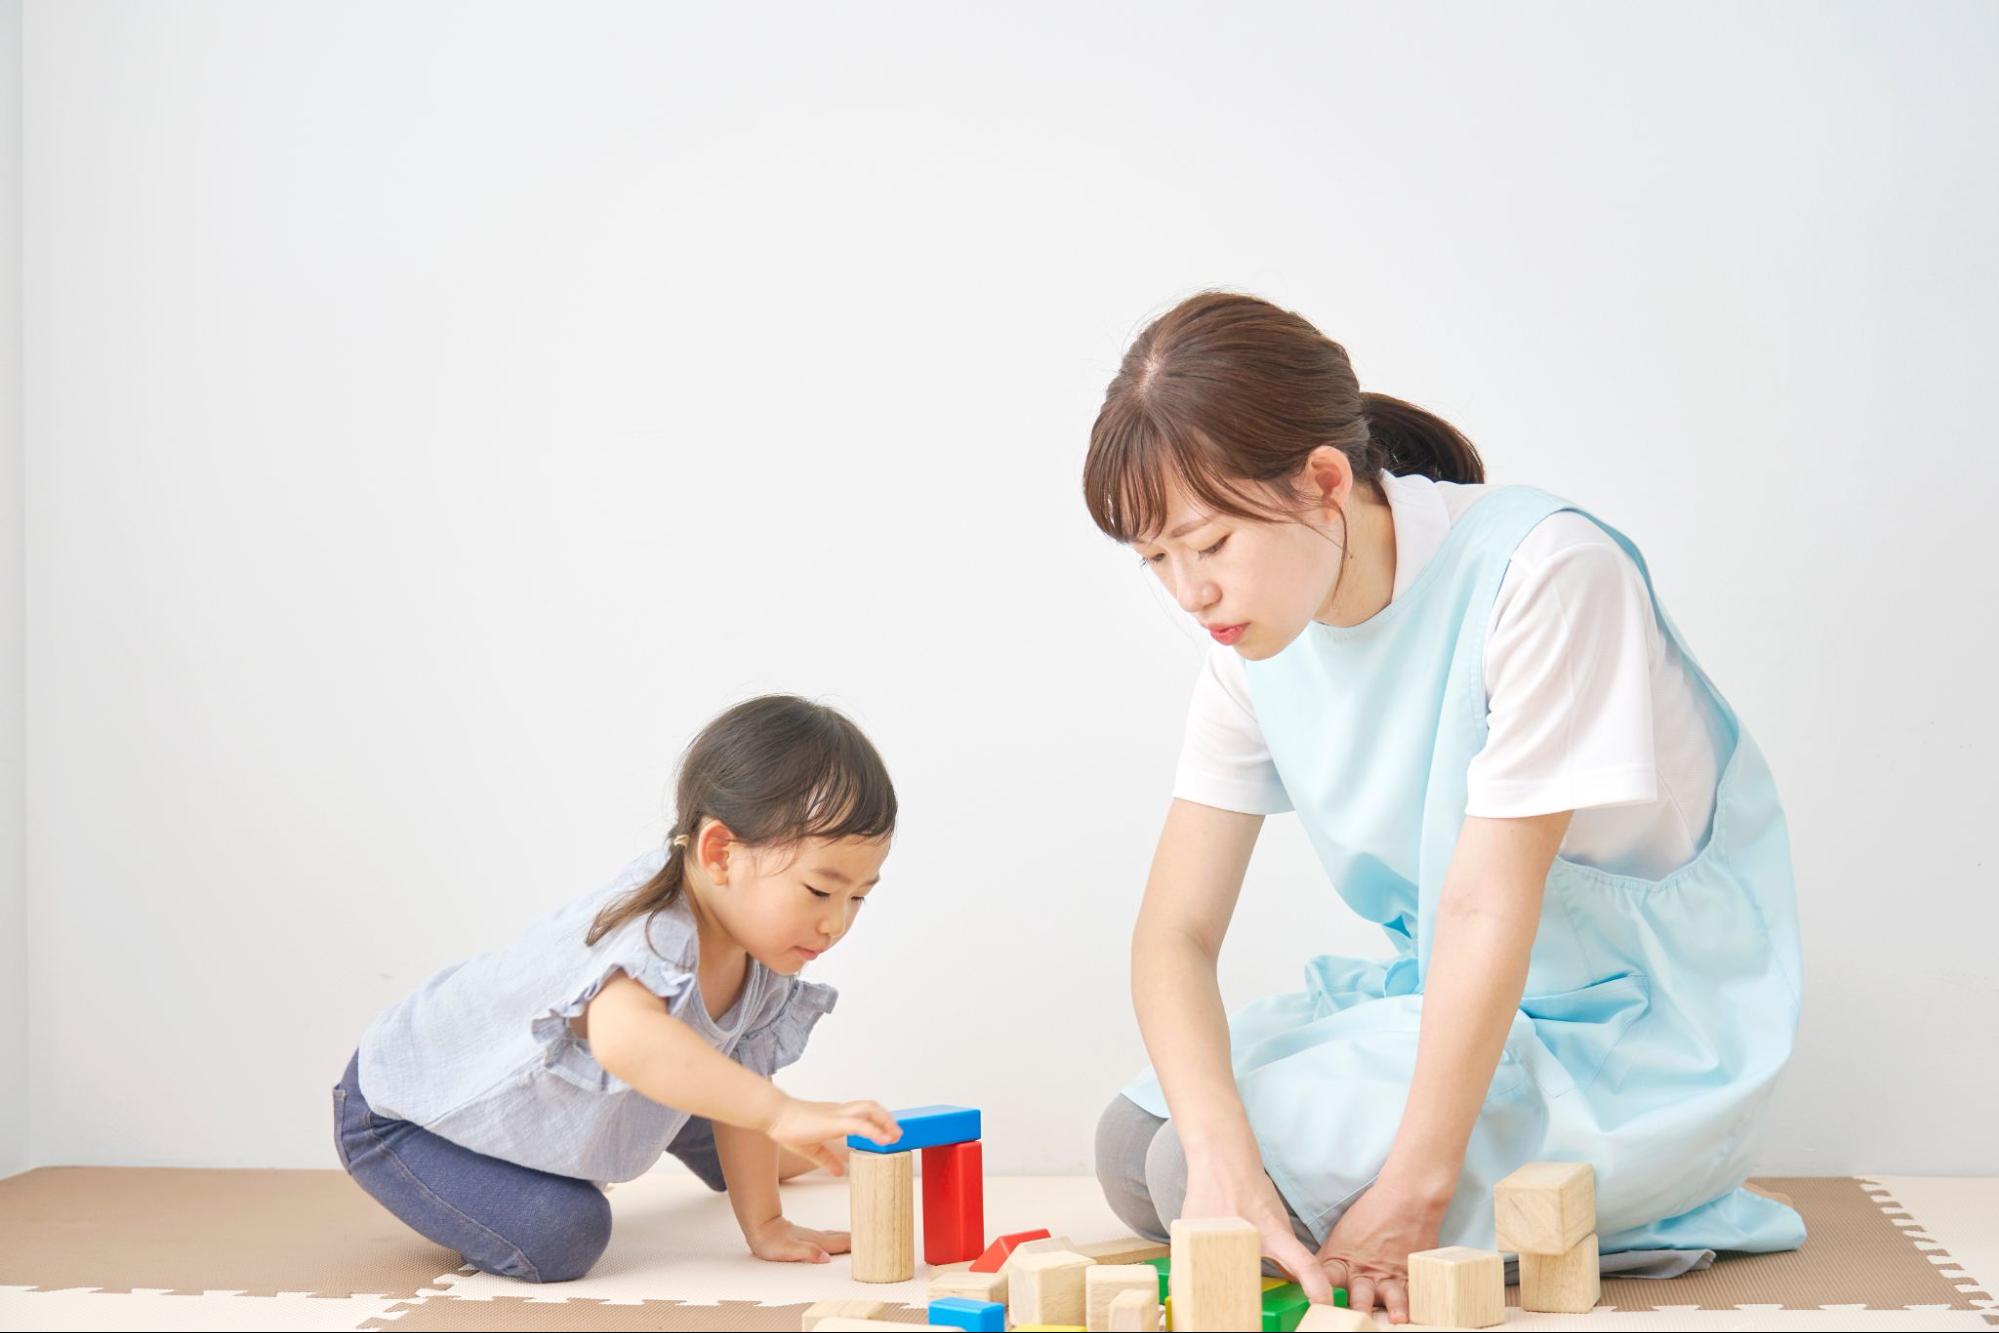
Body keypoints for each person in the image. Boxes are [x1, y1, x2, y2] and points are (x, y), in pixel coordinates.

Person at [1084, 291, 1804, 1323]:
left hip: (1635, 1040)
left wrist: (1411, 1192)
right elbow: (1173, 933)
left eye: (1209, 543)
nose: (1188, 593)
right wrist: (1220, 1152)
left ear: (1322, 481)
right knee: (1138, 1148)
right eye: (1155, 559)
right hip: (1454, 1002)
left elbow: (1482, 904)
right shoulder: (1253, 639)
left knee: (1180, 1180)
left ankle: (1604, 1188)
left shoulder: (1546, 573)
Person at [332, 694, 903, 1282]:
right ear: (720, 854)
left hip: (615, 1079)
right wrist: (777, 1112)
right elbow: (625, 1040)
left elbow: (743, 1072)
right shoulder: (655, 928)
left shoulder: (760, 951)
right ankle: (731, 1128)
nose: (835, 923)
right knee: (563, 1232)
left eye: (858, 897)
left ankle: (744, 1135)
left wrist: (767, 1225)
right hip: (409, 1113)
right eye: (819, 891)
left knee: (733, 1103)